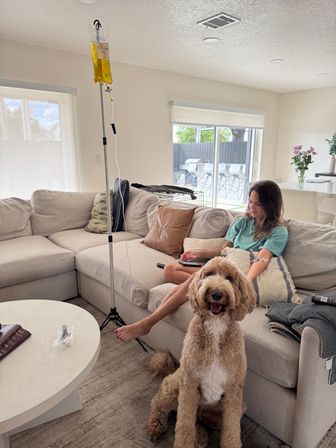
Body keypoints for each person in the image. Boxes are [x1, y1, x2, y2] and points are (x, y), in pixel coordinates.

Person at [114, 179, 288, 342]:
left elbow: (262, 259)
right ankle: (203, 291)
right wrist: (199, 253)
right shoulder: (242, 222)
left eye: (257, 204)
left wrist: (246, 282)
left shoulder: (278, 231)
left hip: (236, 275)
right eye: (250, 201)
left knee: (189, 283)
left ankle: (146, 324)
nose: (252, 207)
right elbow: (223, 250)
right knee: (169, 270)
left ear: (270, 205)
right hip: (221, 266)